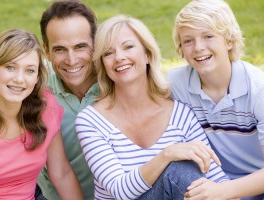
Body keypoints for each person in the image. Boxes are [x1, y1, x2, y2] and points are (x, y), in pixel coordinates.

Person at [75, 15, 229, 200]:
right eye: (108, 53)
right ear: (103, 64)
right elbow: (120, 190)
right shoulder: (91, 121)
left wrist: (229, 192)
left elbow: (215, 177)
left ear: (147, 54)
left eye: (128, 47)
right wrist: (167, 154)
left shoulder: (180, 115)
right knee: (177, 171)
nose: (119, 57)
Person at [0, 29, 84, 199]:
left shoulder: (46, 110)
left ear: (37, 77)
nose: (20, 79)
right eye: (10, 67)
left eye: (29, 70)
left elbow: (62, 173)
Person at [166, 0, 264, 199]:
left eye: (208, 36)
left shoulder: (258, 89)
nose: (198, 47)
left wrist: (225, 191)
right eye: (188, 41)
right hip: (211, 181)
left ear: (229, 40)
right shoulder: (175, 84)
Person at [37, 1, 98, 199]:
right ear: (46, 51)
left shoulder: (117, 80)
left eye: (80, 47)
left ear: (96, 45)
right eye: (60, 49)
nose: (71, 60)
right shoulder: (34, 88)